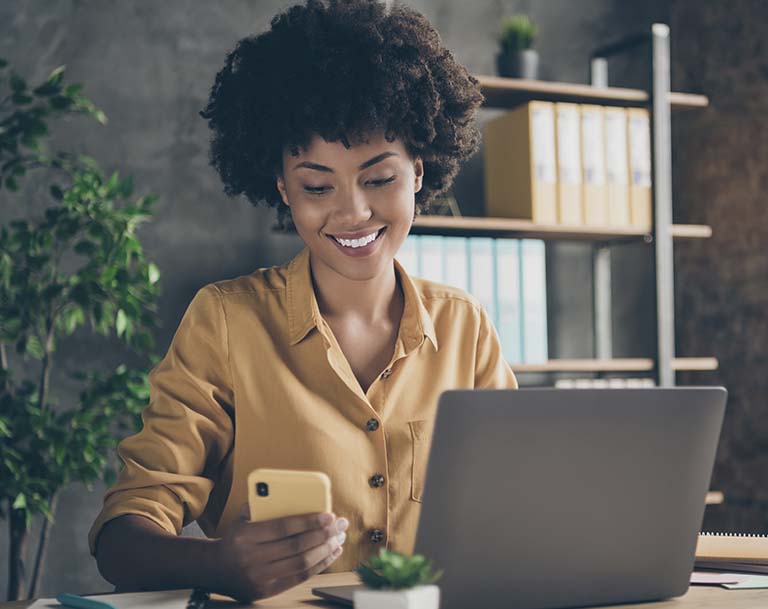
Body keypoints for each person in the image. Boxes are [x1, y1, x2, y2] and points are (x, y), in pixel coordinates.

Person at [90, 0, 516, 601]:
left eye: (379, 178)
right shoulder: (227, 322)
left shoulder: (465, 327)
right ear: (282, 187)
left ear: (419, 171)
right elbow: (121, 539)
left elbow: (517, 509)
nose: (352, 212)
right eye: (318, 185)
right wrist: (215, 565)